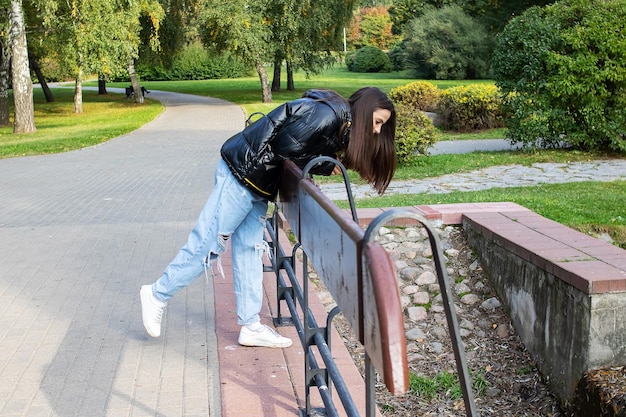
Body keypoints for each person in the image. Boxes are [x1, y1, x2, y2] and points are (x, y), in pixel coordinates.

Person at [140, 87, 397, 348]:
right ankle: (157, 293)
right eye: (377, 122)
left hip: (257, 183)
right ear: (364, 112)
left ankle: (250, 325)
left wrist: (324, 163)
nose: (377, 131)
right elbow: (286, 148)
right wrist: (325, 164)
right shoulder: (328, 116)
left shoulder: (337, 119)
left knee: (250, 251)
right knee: (208, 244)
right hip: (242, 177)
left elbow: (293, 146)